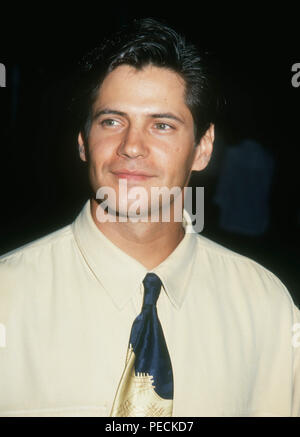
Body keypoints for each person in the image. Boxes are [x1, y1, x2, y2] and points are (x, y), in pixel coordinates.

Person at [0, 18, 299, 417]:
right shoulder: (9, 298)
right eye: (112, 121)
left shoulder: (268, 307)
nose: (132, 146)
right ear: (82, 141)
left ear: (203, 148)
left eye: (161, 125)